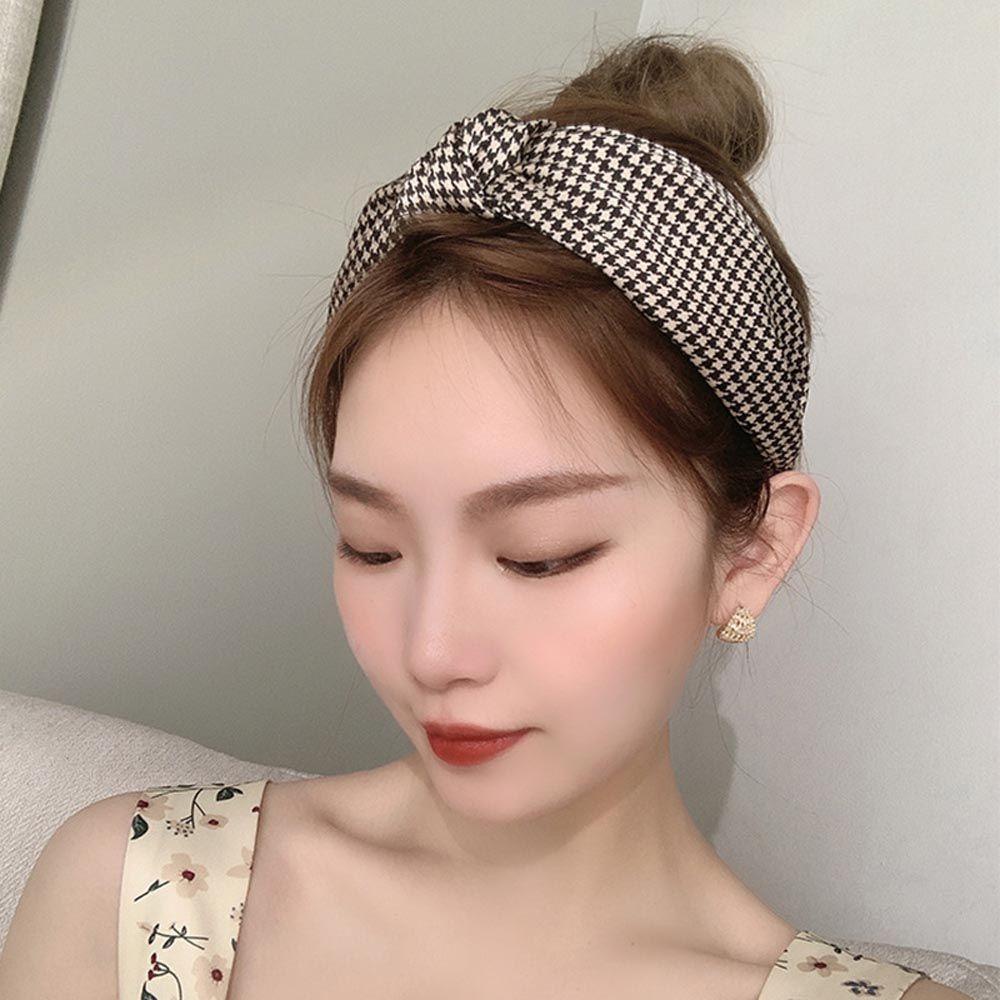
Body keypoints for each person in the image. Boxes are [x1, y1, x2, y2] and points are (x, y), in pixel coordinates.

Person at [0, 31, 972, 1000]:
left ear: (752, 551)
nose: (431, 652)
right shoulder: (134, 891)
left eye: (540, 556)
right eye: (372, 548)